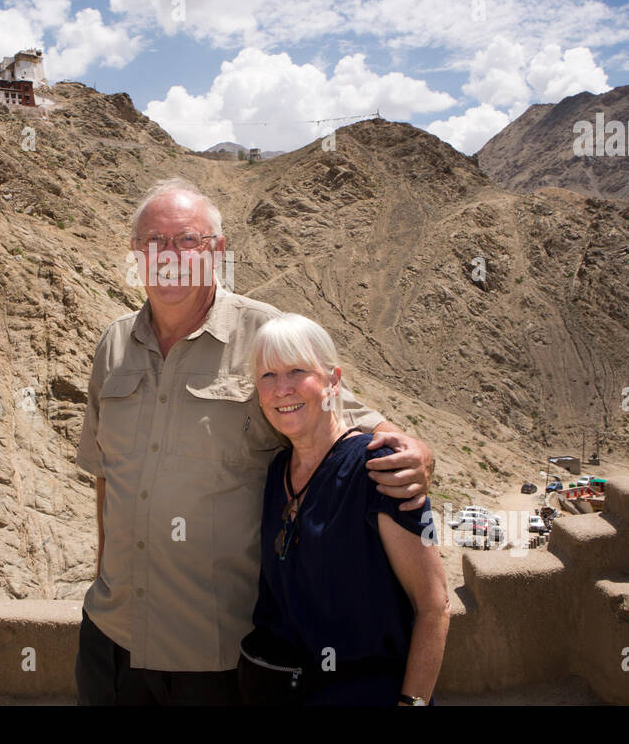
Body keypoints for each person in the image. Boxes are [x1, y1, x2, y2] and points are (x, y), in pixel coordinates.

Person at [74, 177, 437, 705]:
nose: (168, 257)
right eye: (153, 242)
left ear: (217, 251)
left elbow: (340, 413)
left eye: (187, 241)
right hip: (110, 642)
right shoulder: (113, 345)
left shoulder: (262, 334)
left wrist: (413, 449)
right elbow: (107, 479)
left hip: (216, 657)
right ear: (135, 253)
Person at [237, 313, 450, 705]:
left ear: (333, 381)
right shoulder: (277, 474)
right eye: (267, 376)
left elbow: (434, 604)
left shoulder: (378, 467)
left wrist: (412, 702)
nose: (281, 389)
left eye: (296, 371)